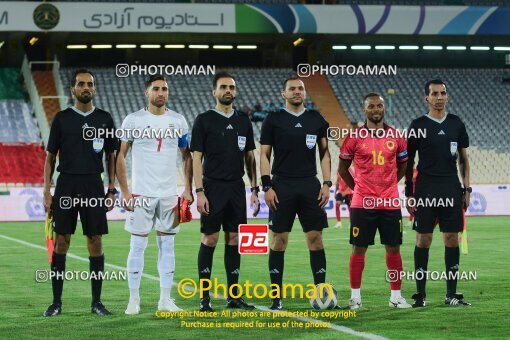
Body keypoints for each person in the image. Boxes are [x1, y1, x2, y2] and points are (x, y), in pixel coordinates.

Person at [43, 69, 117, 316]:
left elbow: (111, 156)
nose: (86, 87)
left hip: (93, 185)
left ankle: (96, 303)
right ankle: (56, 303)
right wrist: (46, 191)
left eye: (90, 84)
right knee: (62, 240)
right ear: (73, 89)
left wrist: (111, 189)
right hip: (66, 184)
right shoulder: (62, 118)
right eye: (81, 84)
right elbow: (50, 157)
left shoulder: (105, 118)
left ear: (94, 89)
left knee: (95, 241)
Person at [116, 74, 193, 314]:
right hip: (141, 194)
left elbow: (187, 156)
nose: (161, 93)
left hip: (169, 195)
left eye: (165, 89)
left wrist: (188, 188)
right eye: (156, 89)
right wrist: (125, 190)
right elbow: (120, 155)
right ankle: (134, 300)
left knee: (167, 246)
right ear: (146, 93)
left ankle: (165, 300)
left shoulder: (178, 121)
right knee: (137, 246)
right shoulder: (133, 120)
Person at [260, 76, 331, 311]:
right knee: (279, 241)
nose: (297, 92)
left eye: (300, 88)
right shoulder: (273, 119)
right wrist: (267, 186)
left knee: (316, 240)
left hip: (310, 184)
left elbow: (325, 153)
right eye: (292, 89)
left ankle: (321, 295)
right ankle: (276, 298)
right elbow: (264, 155)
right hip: (282, 185)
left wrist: (327, 183)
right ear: (284, 94)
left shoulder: (315, 118)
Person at [191, 71, 260, 312]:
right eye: (223, 87)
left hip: (236, 188)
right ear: (214, 92)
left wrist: (254, 189)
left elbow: (250, 157)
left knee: (234, 239)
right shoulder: (204, 120)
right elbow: (196, 157)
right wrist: (199, 191)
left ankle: (233, 296)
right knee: (210, 238)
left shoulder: (243, 120)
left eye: (231, 87)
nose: (228, 90)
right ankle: (204, 298)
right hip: (212, 186)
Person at [338, 93, 412, 309]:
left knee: (394, 248)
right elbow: (342, 168)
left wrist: (389, 184)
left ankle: (396, 297)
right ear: (365, 110)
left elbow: (404, 165)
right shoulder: (354, 137)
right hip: (362, 204)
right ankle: (355, 297)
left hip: (389, 202)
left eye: (379, 105)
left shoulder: (397, 136)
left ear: (384, 108)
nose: (376, 109)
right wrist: (358, 187)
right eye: (371, 106)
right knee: (358, 249)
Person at [406, 79, 471, 307]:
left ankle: (451, 295)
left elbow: (463, 159)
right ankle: (420, 296)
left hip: (451, 187)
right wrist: (409, 192)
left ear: (447, 96)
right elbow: (408, 162)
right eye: (434, 93)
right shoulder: (417, 125)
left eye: (443, 93)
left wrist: (466, 189)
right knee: (423, 239)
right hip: (425, 188)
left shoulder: (456, 124)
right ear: (427, 98)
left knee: (451, 239)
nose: (439, 97)